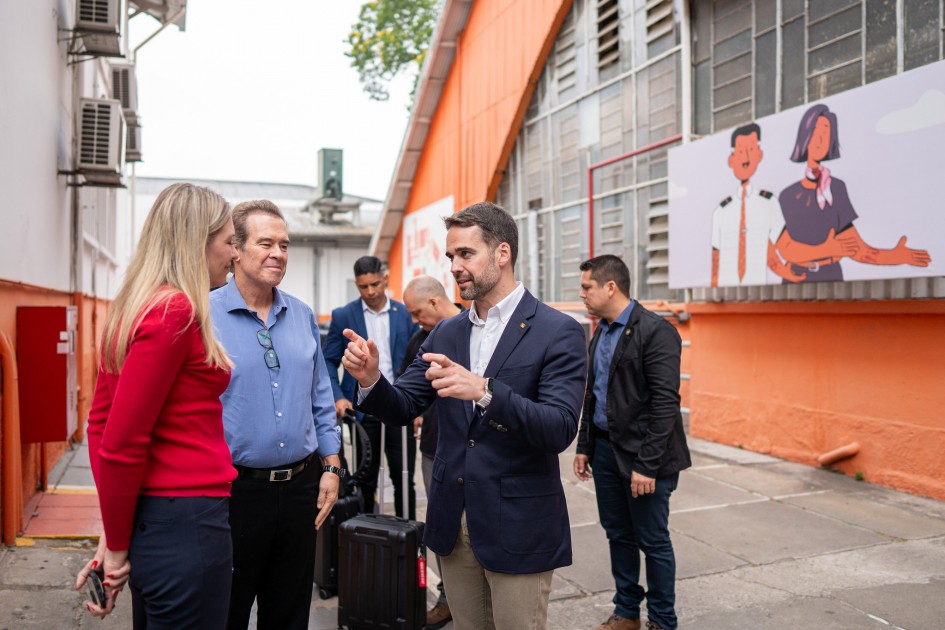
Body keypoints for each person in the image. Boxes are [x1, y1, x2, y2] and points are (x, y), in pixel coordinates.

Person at [341, 202, 588, 630]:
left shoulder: (558, 330)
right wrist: (370, 379)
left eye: (466, 254)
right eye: (451, 256)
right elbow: (403, 405)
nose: (454, 266)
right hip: (452, 525)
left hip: (517, 524)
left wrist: (486, 392)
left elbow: (559, 428)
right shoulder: (447, 331)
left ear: (502, 253)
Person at [76, 182, 239, 627]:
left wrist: (116, 532)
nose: (235, 254)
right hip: (187, 524)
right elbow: (121, 441)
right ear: (196, 243)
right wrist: (115, 550)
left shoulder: (136, 307)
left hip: (156, 522)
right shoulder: (176, 312)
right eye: (229, 241)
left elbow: (101, 427)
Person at [209, 199, 343, 630]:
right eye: (265, 243)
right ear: (236, 249)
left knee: (288, 614)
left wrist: (332, 466)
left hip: (302, 487)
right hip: (234, 493)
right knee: (226, 611)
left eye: (284, 245)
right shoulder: (203, 315)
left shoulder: (301, 315)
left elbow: (320, 395)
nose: (278, 254)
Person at [573, 254, 691, 630]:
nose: (582, 296)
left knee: (653, 541)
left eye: (587, 287)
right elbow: (594, 394)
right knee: (619, 535)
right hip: (606, 452)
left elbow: (665, 403)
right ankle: (627, 612)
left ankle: (662, 620)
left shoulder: (656, 330)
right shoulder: (601, 331)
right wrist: (584, 445)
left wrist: (647, 464)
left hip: (645, 458)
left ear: (611, 287)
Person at [777, 103, 931, 282]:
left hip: (833, 277)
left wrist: (897, 257)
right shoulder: (787, 195)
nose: (820, 139)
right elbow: (787, 249)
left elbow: (857, 249)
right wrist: (829, 249)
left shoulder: (836, 188)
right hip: (795, 278)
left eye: (826, 133)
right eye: (815, 131)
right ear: (805, 135)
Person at [323, 256, 419, 517]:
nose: (371, 291)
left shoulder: (406, 315)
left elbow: (417, 361)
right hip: (363, 411)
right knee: (364, 480)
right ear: (357, 285)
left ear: (385, 278)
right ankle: (364, 537)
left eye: (375, 284)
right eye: (364, 287)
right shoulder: (343, 316)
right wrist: (339, 397)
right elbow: (328, 361)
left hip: (400, 407)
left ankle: (407, 539)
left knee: (404, 478)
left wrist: (419, 407)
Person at [401, 275, 462, 629]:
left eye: (417, 312)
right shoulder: (420, 341)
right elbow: (407, 386)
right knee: (443, 527)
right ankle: (449, 598)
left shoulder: (476, 330)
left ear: (436, 303)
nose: (414, 320)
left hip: (473, 449)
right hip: (434, 448)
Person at [710, 122, 806, 287]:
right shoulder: (721, 210)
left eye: (751, 150)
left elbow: (785, 247)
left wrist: (826, 253)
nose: (746, 157)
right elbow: (716, 258)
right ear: (731, 159)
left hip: (756, 287)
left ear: (759, 155)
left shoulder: (769, 202)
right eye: (740, 151)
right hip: (724, 295)